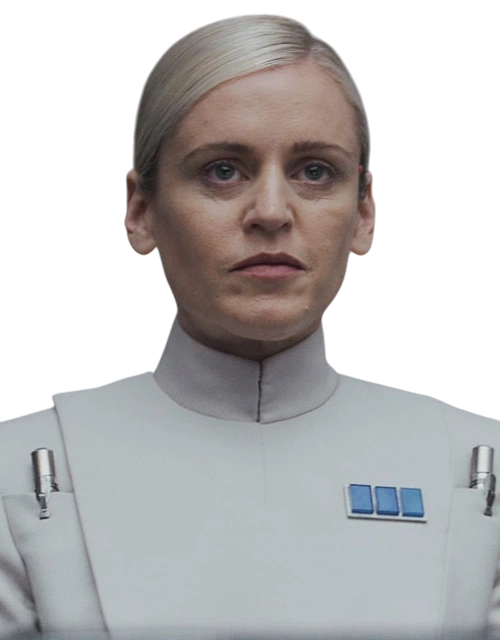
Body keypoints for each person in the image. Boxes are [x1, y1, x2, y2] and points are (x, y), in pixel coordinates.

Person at [1, 14, 499, 640]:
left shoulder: (477, 466)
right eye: (222, 170)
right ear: (140, 211)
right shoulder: (18, 471)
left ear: (365, 213)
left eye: (315, 171)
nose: (270, 212)